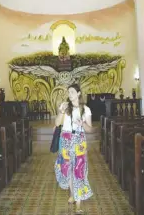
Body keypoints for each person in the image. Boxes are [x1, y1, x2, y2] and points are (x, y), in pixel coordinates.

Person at [54, 83, 93, 214]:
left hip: (79, 141)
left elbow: (89, 129)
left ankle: (78, 202)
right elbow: (57, 123)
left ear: (78, 93)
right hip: (65, 140)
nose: (69, 94)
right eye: (68, 92)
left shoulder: (85, 109)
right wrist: (60, 112)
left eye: (72, 92)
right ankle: (73, 194)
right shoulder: (65, 107)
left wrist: (82, 123)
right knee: (68, 169)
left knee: (79, 170)